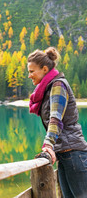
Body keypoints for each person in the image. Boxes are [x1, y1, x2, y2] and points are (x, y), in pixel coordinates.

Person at [28, 46, 87, 198]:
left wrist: (48, 145)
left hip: (73, 154)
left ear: (45, 69)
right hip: (65, 155)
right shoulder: (49, 88)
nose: (29, 75)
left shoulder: (58, 86)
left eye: (32, 71)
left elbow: (55, 119)